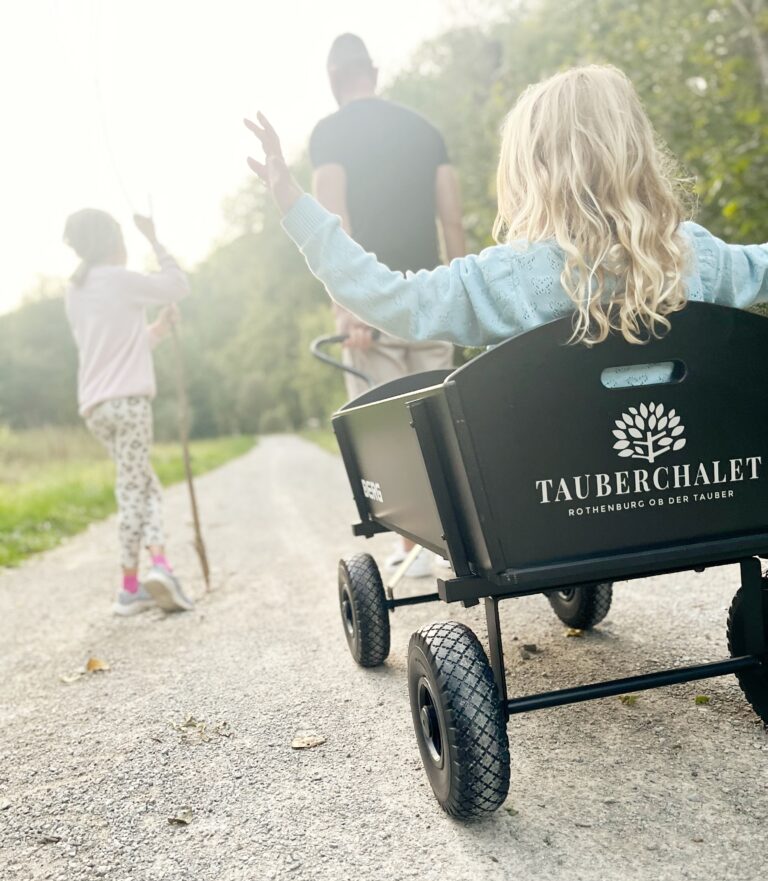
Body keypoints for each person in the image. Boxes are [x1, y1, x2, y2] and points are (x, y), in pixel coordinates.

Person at [245, 64, 768, 353]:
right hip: (691, 494)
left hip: (551, 516)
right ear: (636, 150)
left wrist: (296, 205)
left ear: (534, 165)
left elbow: (393, 301)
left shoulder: (508, 278)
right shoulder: (693, 256)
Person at [310, 33, 466, 575]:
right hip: (431, 297)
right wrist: (461, 295)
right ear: (373, 71)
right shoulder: (426, 131)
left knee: (386, 431)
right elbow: (452, 221)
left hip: (374, 303)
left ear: (333, 78)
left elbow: (333, 226)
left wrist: (346, 309)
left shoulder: (329, 134)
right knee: (440, 422)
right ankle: (451, 542)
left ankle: (411, 547)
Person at [63, 208, 193, 616]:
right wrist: (155, 240)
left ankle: (150, 573)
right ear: (114, 242)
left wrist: (158, 328)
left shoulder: (76, 289)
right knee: (133, 488)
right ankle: (136, 580)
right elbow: (177, 285)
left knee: (143, 484)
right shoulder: (118, 279)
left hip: (96, 407)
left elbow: (118, 349)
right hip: (130, 404)